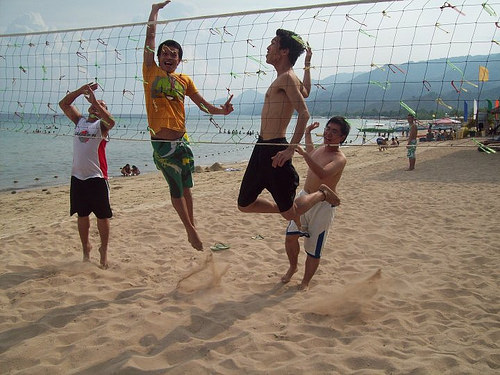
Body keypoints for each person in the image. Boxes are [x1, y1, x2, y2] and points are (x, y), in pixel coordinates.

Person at [143, 1, 234, 251]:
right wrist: (155, 11)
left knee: (187, 187)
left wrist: (221, 111)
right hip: (162, 144)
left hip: (183, 142)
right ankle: (190, 231)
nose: (169, 56)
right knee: (175, 188)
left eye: (174, 54)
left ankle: (191, 226)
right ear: (158, 57)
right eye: (165, 53)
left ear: (180, 60)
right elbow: (150, 37)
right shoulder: (150, 71)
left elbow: (202, 104)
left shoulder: (185, 80)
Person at [237, 29, 338, 223]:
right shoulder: (288, 78)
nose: (268, 47)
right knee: (244, 204)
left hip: (276, 148)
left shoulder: (287, 78)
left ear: (284, 51)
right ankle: (288, 209)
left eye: (273, 43)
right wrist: (307, 64)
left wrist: (290, 150)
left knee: (290, 214)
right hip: (261, 147)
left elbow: (304, 113)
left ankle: (322, 195)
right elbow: (306, 91)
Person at [281, 117, 350, 290]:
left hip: (323, 204)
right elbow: (312, 153)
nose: (328, 133)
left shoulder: (340, 158)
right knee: (290, 238)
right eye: (328, 129)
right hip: (305, 198)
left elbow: (321, 173)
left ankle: (305, 281)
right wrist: (307, 133)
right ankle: (293, 267)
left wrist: (303, 154)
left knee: (313, 249)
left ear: (342, 137)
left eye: (334, 131)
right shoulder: (320, 150)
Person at [59, 82, 115, 269]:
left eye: (101, 105)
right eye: (93, 103)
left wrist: (96, 103)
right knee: (82, 215)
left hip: (97, 178)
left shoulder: (102, 126)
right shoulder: (80, 121)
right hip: (78, 177)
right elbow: (64, 104)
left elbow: (112, 122)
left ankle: (104, 251)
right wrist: (80, 91)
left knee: (102, 216)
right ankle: (86, 249)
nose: (95, 105)